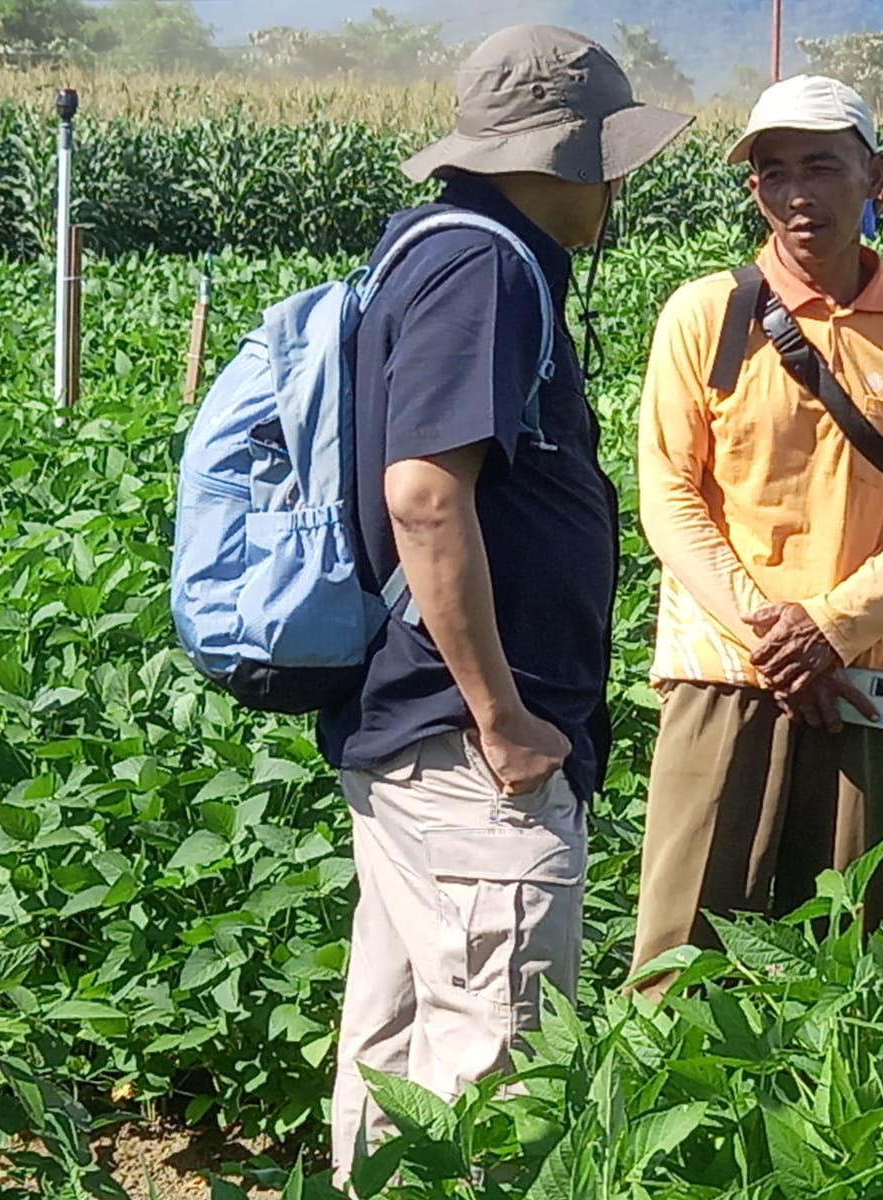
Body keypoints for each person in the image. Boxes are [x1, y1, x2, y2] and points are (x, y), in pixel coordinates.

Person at [313, 25, 689, 1182]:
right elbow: (426, 496)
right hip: (469, 758)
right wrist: (502, 714)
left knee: (398, 1059)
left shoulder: (445, 251)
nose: (620, 182)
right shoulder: (482, 265)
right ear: (560, 156)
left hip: (416, 744)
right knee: (495, 1080)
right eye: (608, 156)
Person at [630, 75, 883, 993]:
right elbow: (667, 494)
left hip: (864, 674)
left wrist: (834, 625)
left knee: (848, 952)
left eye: (821, 165)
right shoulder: (706, 316)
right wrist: (774, 632)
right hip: (724, 666)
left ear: (876, 178)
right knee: (684, 955)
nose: (794, 192)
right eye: (770, 171)